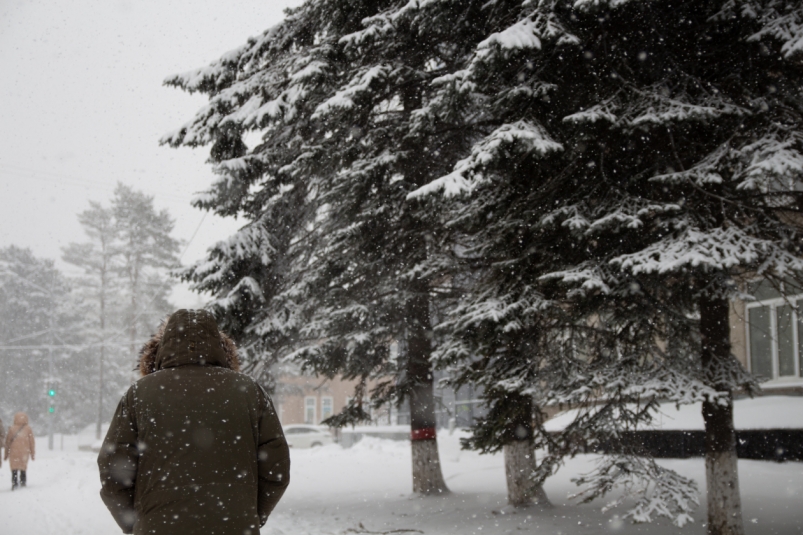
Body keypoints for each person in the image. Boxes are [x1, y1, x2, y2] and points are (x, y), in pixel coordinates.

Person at [97, 309, 290, 535]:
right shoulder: (248, 391)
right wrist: (248, 513)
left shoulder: (139, 394)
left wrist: (135, 521)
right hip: (233, 525)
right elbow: (276, 467)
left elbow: (114, 469)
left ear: (161, 347)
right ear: (221, 346)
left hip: (159, 528)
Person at [5, 412, 35, 490]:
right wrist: (32, 453)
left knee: (14, 468)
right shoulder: (28, 429)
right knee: (23, 467)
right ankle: (23, 482)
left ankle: (14, 482)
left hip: (13, 452)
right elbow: (31, 442)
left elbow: (8, 442)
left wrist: (6, 454)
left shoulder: (12, 429)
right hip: (24, 452)